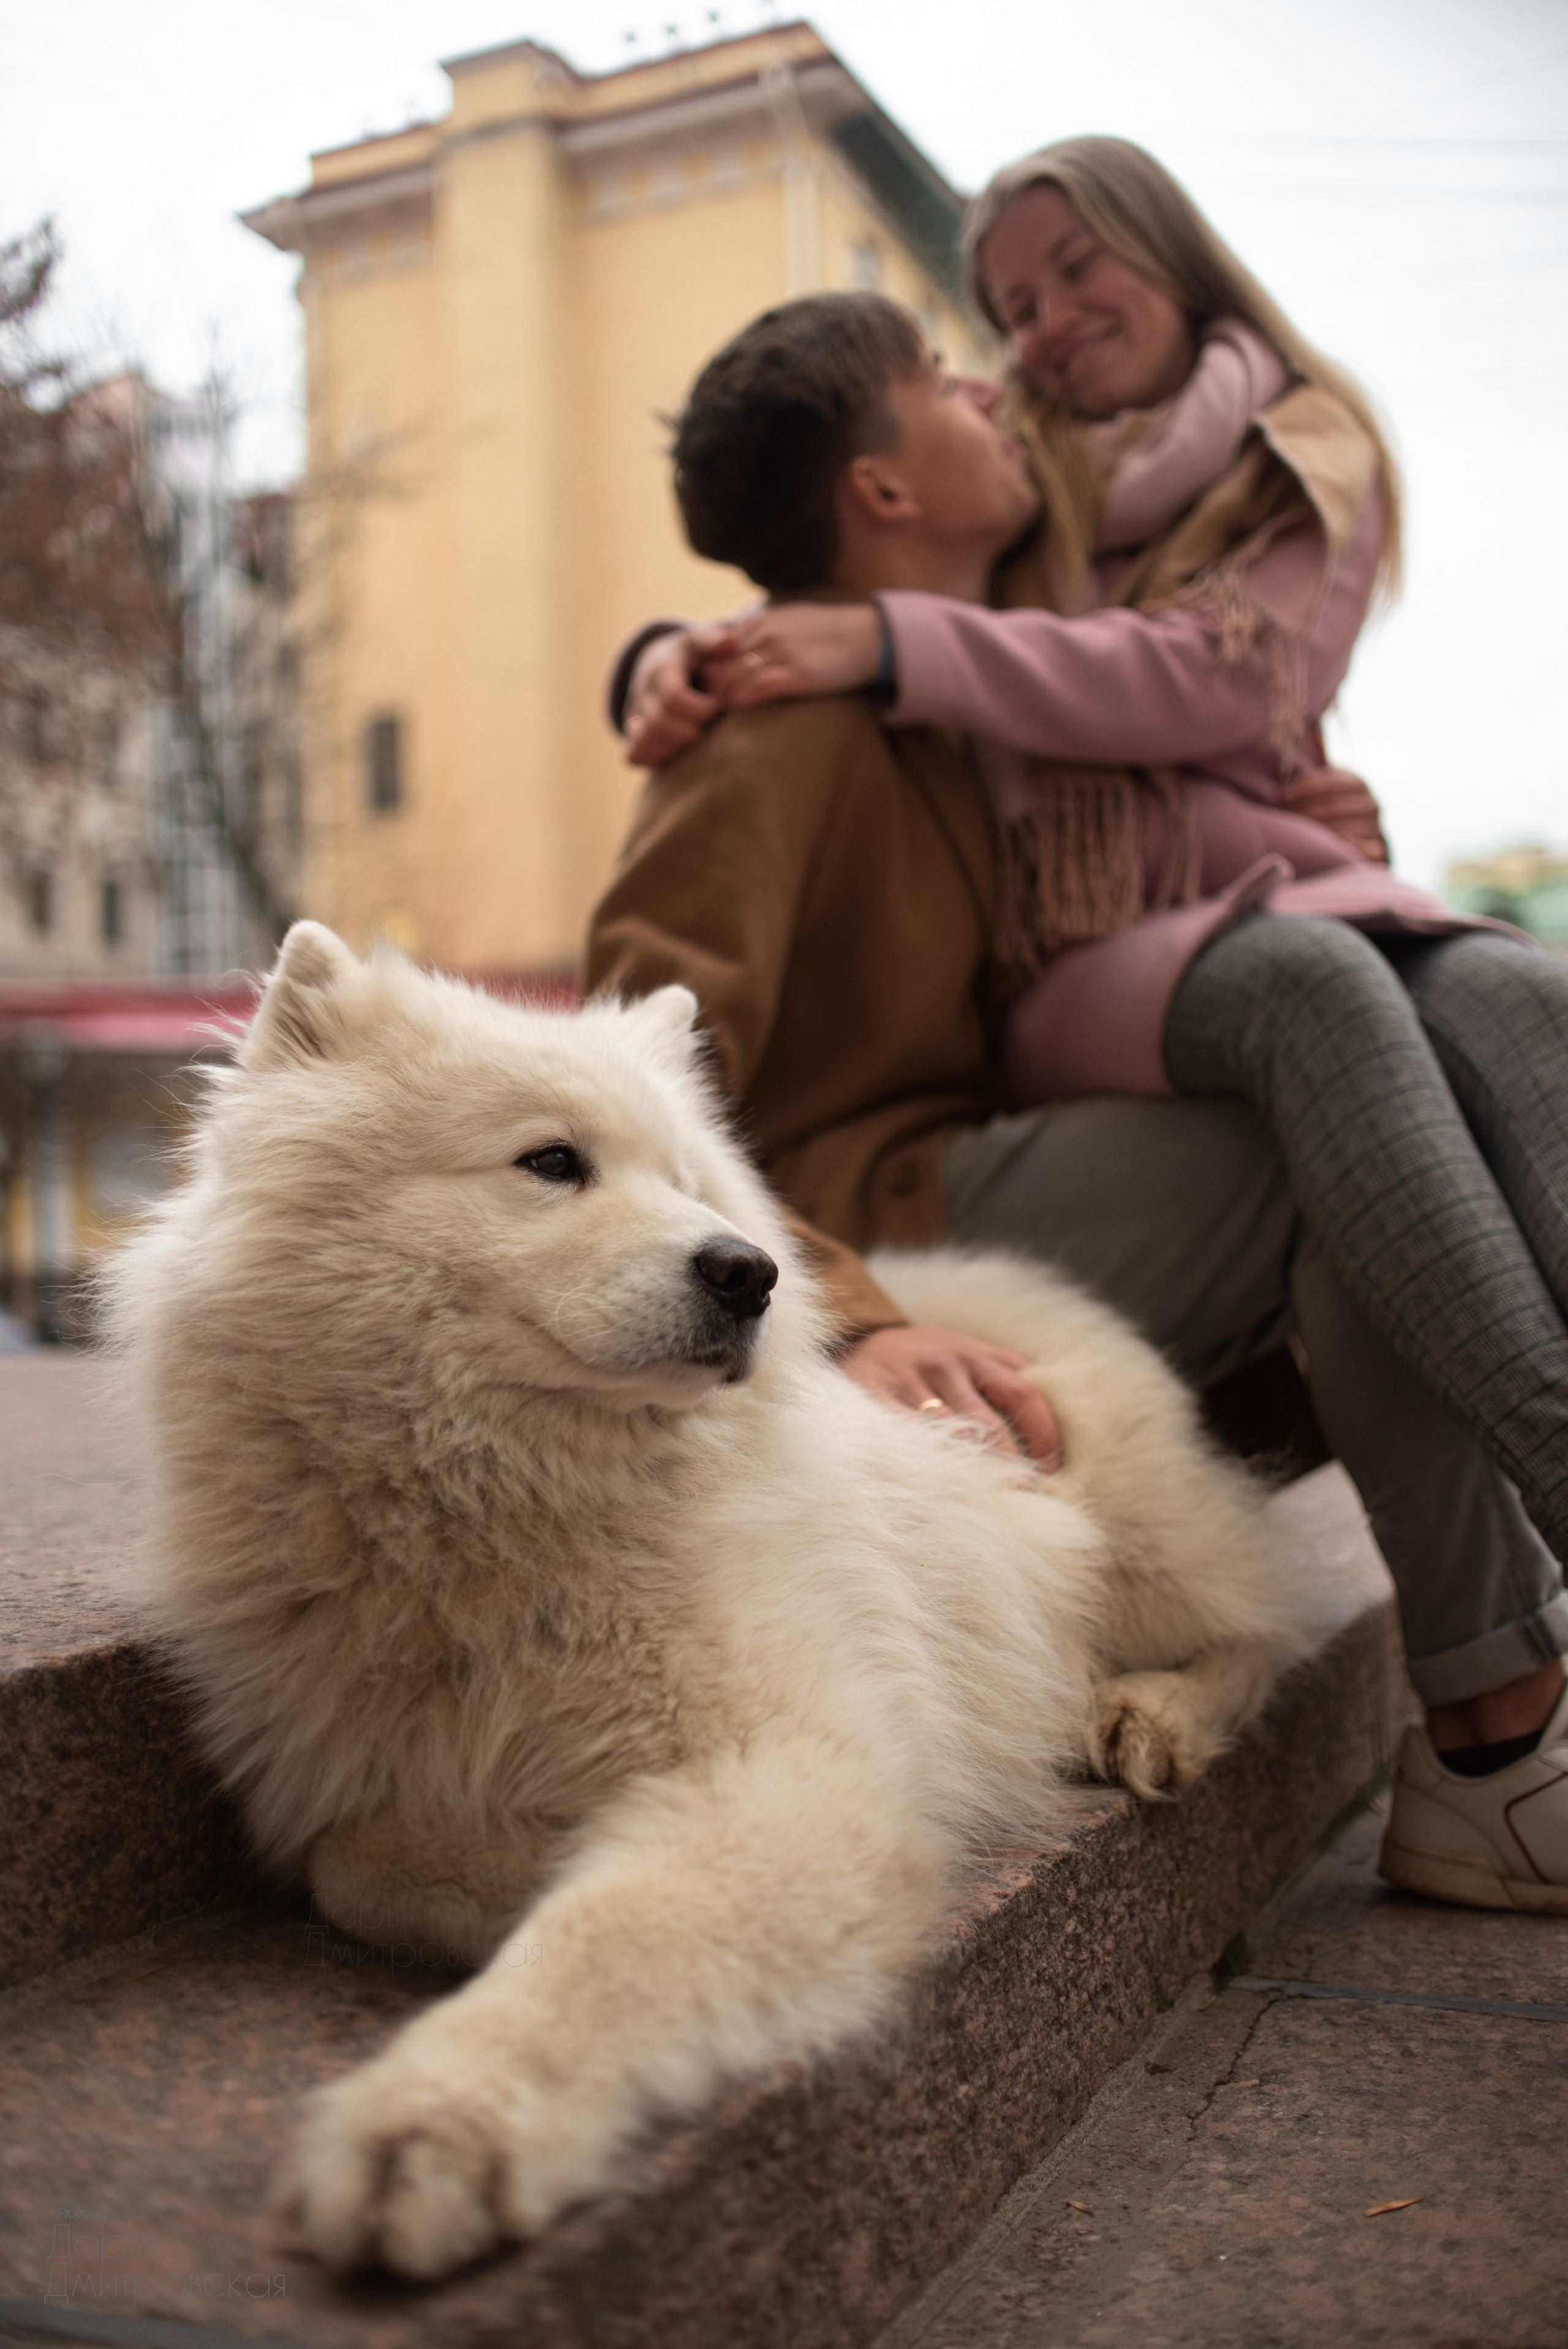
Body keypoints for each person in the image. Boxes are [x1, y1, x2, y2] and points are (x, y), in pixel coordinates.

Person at [587, 268, 1568, 1911]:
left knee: (1395, 1070)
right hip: (886, 1218)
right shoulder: (769, 733)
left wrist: (1328, 835)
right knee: (1320, 1121)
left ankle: (1498, 1744)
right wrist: (846, 1311)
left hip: (1018, 1191)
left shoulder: (962, 703)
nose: (991, 388)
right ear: (883, 490)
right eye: (945, 381)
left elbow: (1165, 734)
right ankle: (1496, 1732)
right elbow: (631, 1080)